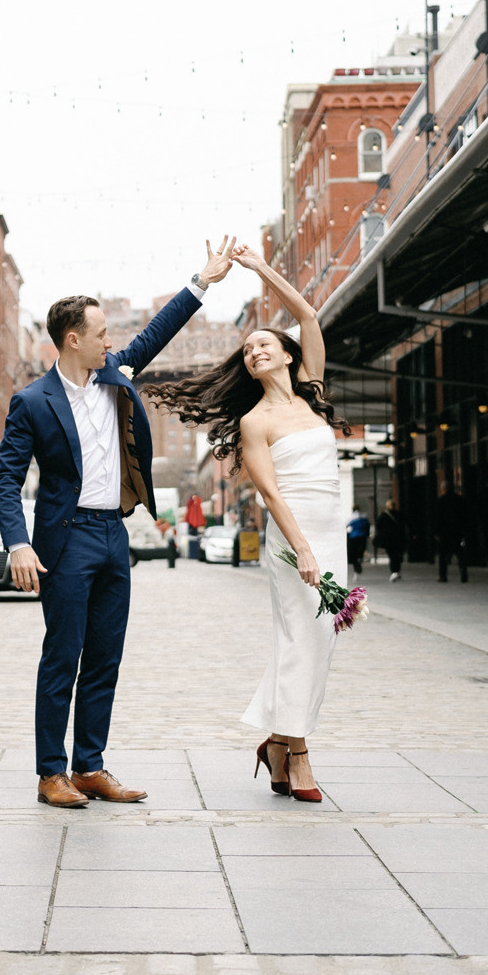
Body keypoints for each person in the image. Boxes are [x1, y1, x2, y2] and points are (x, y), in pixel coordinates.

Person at [0, 237, 240, 809]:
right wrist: (18, 544)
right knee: (63, 655)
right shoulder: (32, 403)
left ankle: (90, 767)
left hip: (113, 536)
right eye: (102, 334)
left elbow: (158, 331)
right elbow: (6, 480)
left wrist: (203, 280)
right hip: (65, 539)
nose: (112, 341)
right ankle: (50, 773)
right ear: (73, 340)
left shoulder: (116, 373)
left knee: (105, 655)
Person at [150, 243, 346, 805]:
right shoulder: (254, 421)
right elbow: (270, 493)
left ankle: (277, 744)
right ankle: (298, 751)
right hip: (294, 536)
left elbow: (308, 315)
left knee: (319, 638)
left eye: (263, 343)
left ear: (287, 354)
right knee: (298, 637)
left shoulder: (311, 390)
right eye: (247, 349)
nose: (254, 350)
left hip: (331, 527)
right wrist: (303, 550)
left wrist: (260, 269)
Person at [435, 482, 471, 583]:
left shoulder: (440, 500)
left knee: (442, 555)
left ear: (443, 489)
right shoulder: (460, 500)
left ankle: (443, 576)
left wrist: (436, 532)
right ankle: (464, 574)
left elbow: (437, 518)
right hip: (457, 531)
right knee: (460, 554)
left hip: (444, 532)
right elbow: (465, 516)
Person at [374, 500, 407, 581]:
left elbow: (378, 526)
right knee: (398, 555)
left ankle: (394, 572)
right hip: (399, 538)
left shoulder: (383, 515)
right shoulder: (399, 514)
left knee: (392, 556)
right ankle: (397, 571)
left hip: (389, 539)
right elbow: (404, 524)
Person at [346, 505, 371, 575]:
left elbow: (346, 525)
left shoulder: (352, 517)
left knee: (354, 552)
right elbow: (367, 526)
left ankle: (356, 564)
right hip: (363, 537)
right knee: (361, 550)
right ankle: (360, 558)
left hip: (353, 537)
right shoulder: (363, 517)